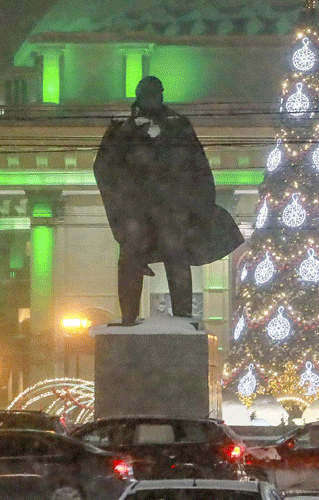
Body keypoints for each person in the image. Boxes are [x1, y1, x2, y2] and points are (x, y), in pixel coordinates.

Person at [93, 75, 244, 326]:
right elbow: (103, 166)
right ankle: (128, 317)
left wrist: (200, 206)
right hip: (137, 211)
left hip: (172, 208)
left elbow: (200, 167)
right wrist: (122, 198)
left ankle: (183, 317)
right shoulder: (121, 128)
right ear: (139, 96)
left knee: (177, 258)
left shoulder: (179, 126)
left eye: (158, 93)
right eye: (149, 93)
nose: (155, 98)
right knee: (130, 258)